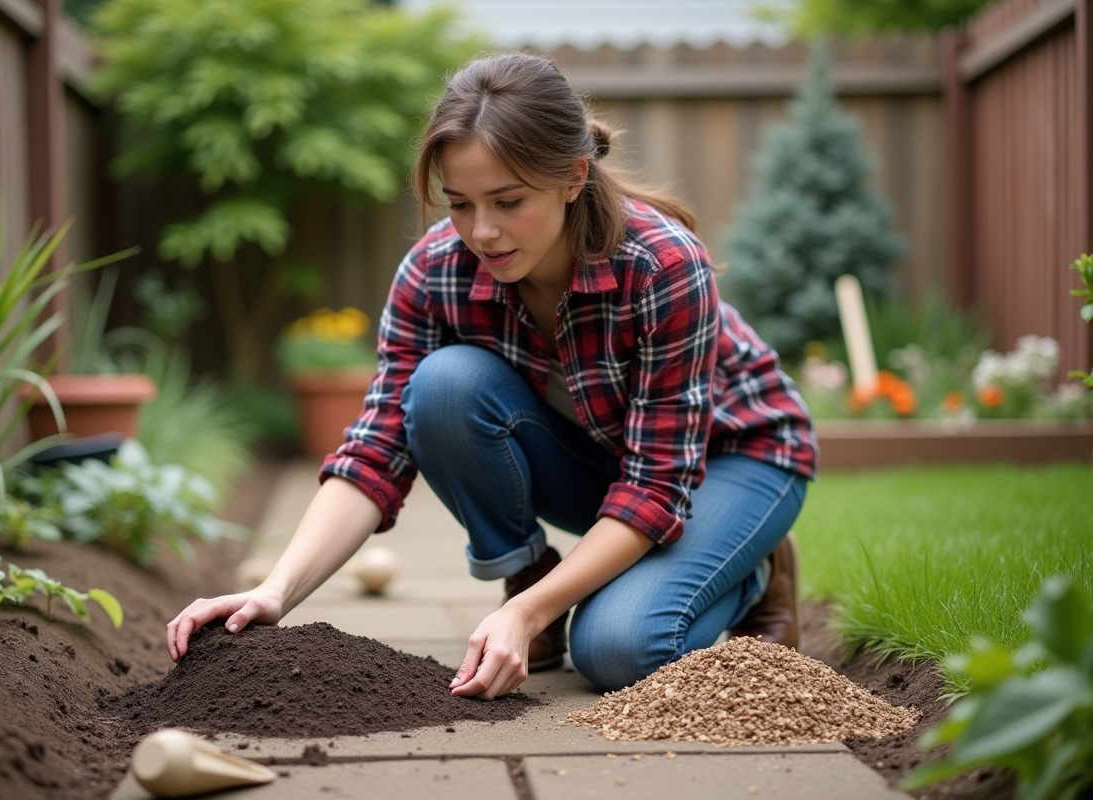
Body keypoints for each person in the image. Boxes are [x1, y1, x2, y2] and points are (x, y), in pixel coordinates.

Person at [167, 51, 818, 701]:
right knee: (443, 388)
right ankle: (528, 576)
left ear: (572, 177)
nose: (482, 232)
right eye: (459, 204)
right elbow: (377, 449)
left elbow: (655, 484)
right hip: (608, 463)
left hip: (734, 460)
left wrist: (524, 614)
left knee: (618, 649)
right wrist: (274, 590)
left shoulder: (661, 264)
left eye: (508, 202)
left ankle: (755, 570)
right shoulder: (435, 272)